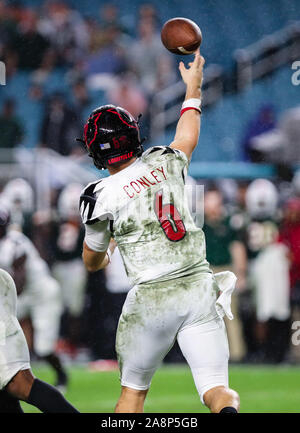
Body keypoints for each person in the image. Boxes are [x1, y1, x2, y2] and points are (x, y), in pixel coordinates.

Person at [79, 51, 240, 413]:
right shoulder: (163, 160)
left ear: (95, 151)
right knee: (217, 391)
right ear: (132, 135)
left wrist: (111, 245)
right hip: (198, 286)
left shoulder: (97, 195)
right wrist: (193, 87)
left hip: (151, 299)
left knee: (133, 396)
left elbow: (93, 262)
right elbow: (187, 134)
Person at [0, 203, 68, 391]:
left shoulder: (15, 243)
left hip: (40, 294)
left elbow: (18, 283)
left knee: (44, 348)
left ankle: (62, 376)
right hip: (20, 295)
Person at [0, 266, 78, 413]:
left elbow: (20, 274)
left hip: (36, 296)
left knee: (20, 383)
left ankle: (61, 375)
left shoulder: (14, 244)